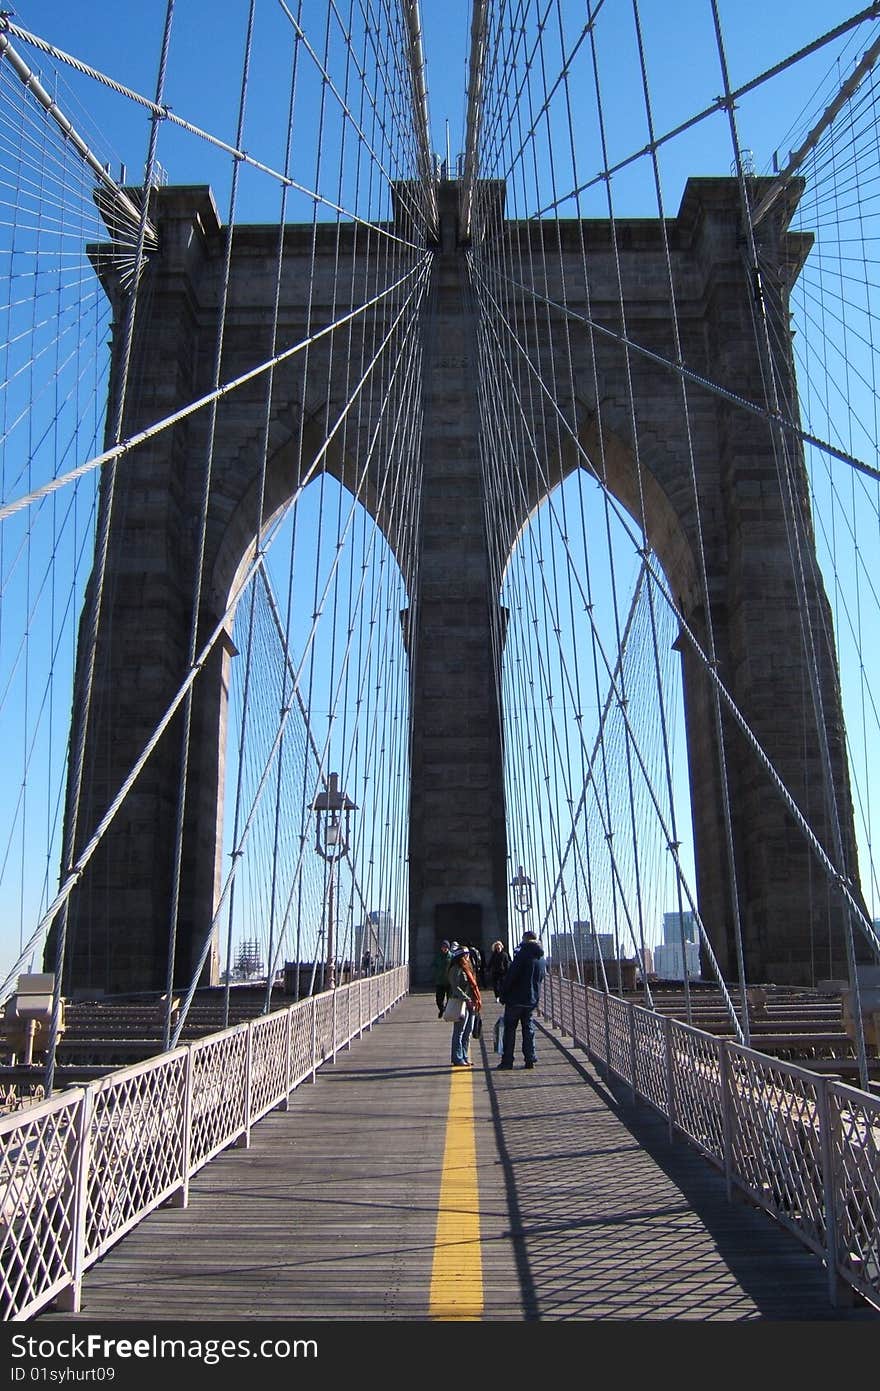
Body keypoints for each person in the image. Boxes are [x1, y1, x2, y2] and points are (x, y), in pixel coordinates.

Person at [496, 929, 546, 1071]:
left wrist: (503, 995)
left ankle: (507, 1061)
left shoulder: (522, 954)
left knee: (510, 1029)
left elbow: (511, 976)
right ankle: (530, 1059)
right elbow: (541, 977)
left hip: (515, 1000)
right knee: (528, 1028)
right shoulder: (541, 957)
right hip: (531, 1000)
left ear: (525, 939)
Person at [446, 945, 481, 1066]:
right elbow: (455, 987)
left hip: (471, 1003)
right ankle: (457, 1057)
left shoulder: (468, 968)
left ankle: (465, 1055)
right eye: (466, 954)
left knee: (468, 1031)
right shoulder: (455, 969)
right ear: (461, 956)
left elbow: (473, 985)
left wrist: (475, 999)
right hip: (462, 1003)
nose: (468, 956)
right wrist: (467, 999)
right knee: (459, 1031)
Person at [432, 940, 452, 1018]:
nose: (444, 948)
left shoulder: (452, 956)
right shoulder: (438, 956)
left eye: (446, 947)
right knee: (438, 1000)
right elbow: (434, 965)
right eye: (443, 947)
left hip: (449, 981)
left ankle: (446, 1010)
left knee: (449, 999)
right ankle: (442, 1009)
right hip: (440, 981)